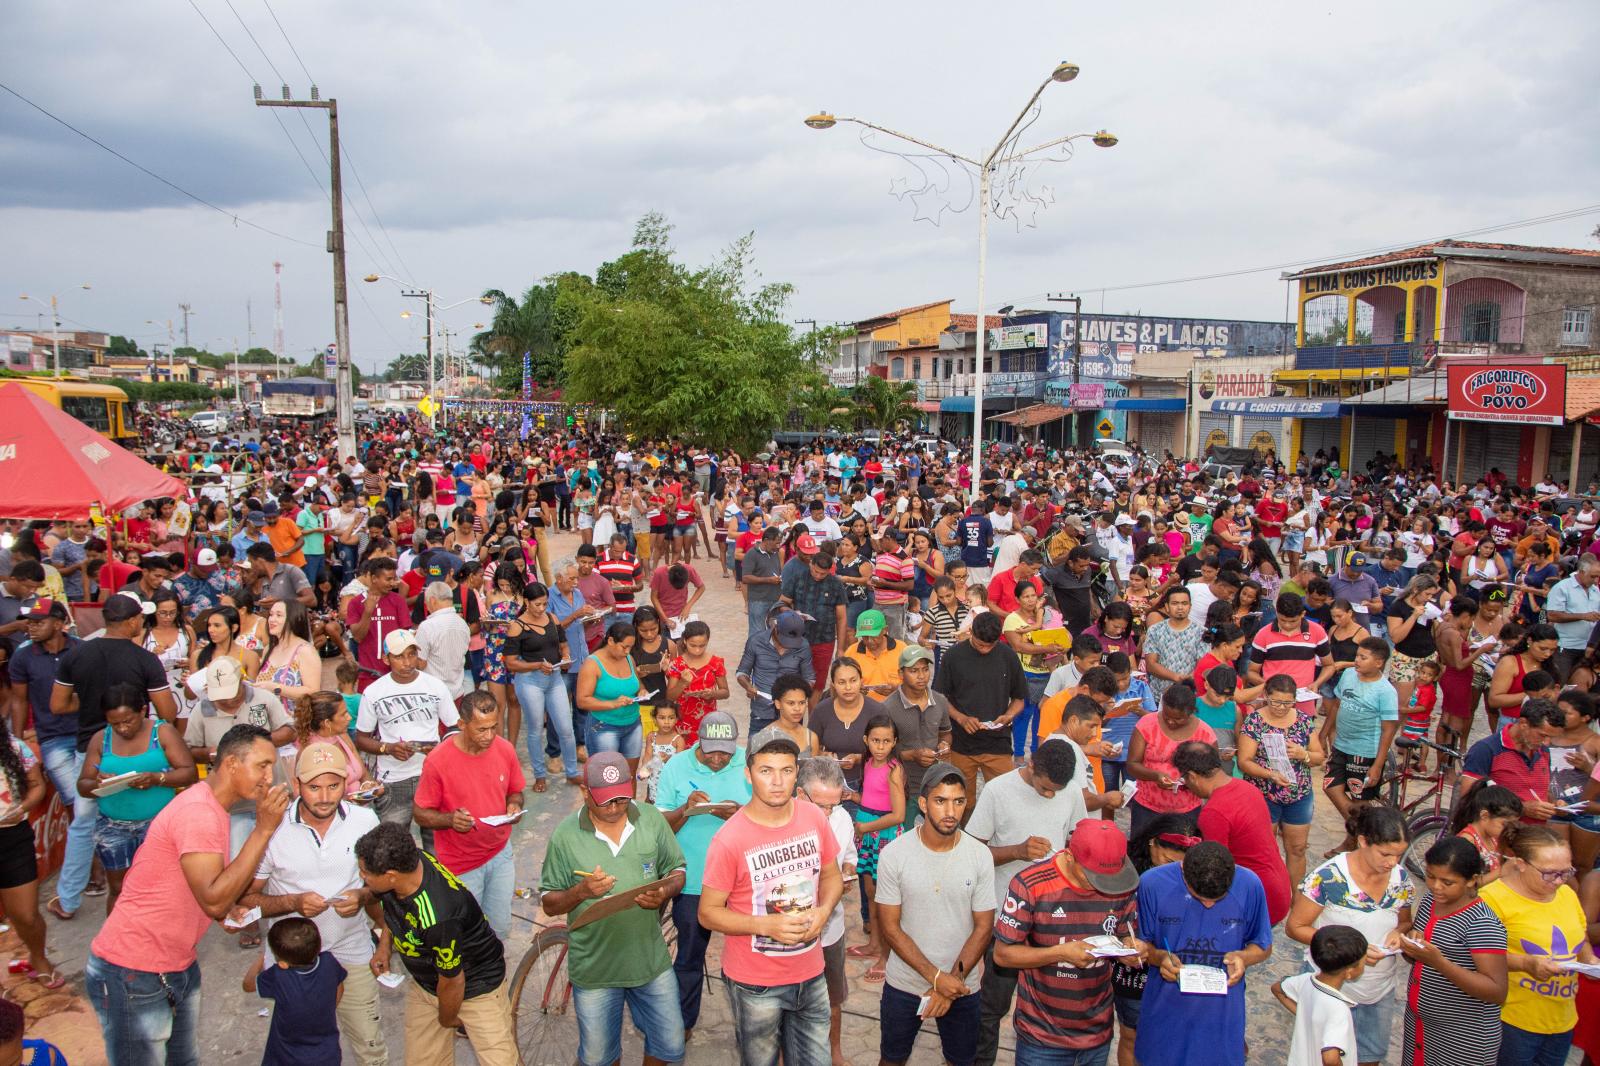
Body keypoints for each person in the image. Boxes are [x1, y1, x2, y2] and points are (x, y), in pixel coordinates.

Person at [86, 723, 291, 1065]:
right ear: (230, 764)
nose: (269, 777)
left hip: (173, 965)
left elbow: (205, 891)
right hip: (134, 971)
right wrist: (264, 828)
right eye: (262, 765)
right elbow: (213, 897)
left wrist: (222, 912)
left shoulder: (210, 808)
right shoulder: (199, 813)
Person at [698, 728, 843, 1066]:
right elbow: (708, 913)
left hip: (811, 973)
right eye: (766, 771)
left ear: (797, 774)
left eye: (786, 770)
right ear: (748, 775)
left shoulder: (812, 818)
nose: (777, 781)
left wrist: (823, 912)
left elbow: (833, 876)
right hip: (755, 984)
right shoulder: (729, 839)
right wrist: (767, 926)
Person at [236, 739, 386, 1066]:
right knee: (300, 1049)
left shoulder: (365, 822)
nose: (324, 796)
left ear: (346, 783)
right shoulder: (271, 830)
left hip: (351, 950)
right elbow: (245, 898)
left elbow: (384, 884)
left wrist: (363, 896)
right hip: (291, 963)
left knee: (370, 1046)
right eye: (314, 787)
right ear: (296, 784)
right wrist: (293, 902)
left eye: (334, 786)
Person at [539, 751, 688, 1066]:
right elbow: (550, 903)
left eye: (621, 799)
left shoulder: (649, 818)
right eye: (605, 801)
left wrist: (664, 890)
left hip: (649, 960)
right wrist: (580, 892)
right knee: (599, 1058)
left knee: (670, 1044)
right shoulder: (564, 837)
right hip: (596, 969)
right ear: (585, 792)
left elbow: (677, 869)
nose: (615, 808)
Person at [354, 822, 519, 1066]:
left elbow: (453, 980)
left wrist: (448, 1018)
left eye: (365, 873)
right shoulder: (410, 862)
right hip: (427, 985)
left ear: (390, 876)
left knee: (499, 1060)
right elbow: (395, 908)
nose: (362, 877)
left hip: (475, 989)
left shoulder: (439, 917)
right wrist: (384, 945)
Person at [967, 741, 1089, 1066]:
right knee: (992, 1006)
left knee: (1048, 1007)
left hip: (1054, 921)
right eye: (1045, 788)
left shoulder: (1071, 792)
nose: (1051, 796)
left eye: (1056, 791)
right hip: (1007, 922)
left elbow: (1077, 840)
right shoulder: (997, 792)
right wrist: (1017, 852)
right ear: (1031, 764)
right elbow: (972, 855)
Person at [993, 819, 1141, 1066]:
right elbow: (1002, 954)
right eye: (1092, 877)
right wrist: (1060, 953)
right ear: (1070, 856)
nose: (1102, 886)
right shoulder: (1031, 885)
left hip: (1097, 1034)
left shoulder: (1120, 885)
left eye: (1109, 878)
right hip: (1041, 1038)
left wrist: (1129, 948)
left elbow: (1126, 933)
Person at [874, 760, 994, 1066]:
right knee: (892, 1059)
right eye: (941, 801)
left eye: (958, 801)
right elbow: (890, 927)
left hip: (961, 983)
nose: (951, 812)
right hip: (906, 983)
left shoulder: (979, 855)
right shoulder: (894, 855)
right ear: (924, 804)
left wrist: (951, 981)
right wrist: (936, 977)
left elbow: (983, 927)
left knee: (962, 1060)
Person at [1288, 804, 1416, 1066]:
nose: (1392, 863)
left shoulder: (1400, 880)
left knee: (1369, 1056)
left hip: (1378, 990)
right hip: (1331, 985)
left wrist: (1398, 933)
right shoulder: (1328, 878)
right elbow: (1295, 927)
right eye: (1385, 854)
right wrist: (1350, 949)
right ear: (1362, 841)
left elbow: (1405, 922)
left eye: (1398, 855)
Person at [654, 710, 751, 1035]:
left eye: (726, 751)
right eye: (712, 751)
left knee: (752, 955)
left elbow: (769, 815)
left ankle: (755, 1024)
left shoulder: (749, 764)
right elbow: (658, 824)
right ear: (699, 741)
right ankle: (682, 1026)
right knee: (690, 957)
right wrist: (685, 810)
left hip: (743, 879)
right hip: (693, 879)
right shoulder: (677, 766)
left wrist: (738, 817)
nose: (719, 758)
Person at [1135, 841, 1274, 1066]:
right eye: (1199, 896)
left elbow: (1263, 945)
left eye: (1217, 898)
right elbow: (1140, 946)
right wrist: (1160, 957)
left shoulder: (1250, 885)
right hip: (1164, 1018)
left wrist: (1244, 958)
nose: (1209, 904)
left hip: (1222, 1021)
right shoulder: (1152, 884)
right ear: (1182, 868)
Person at [1479, 822, 1597, 1065]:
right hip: (1512, 1019)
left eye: (1566, 872)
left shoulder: (1565, 894)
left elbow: (1580, 935)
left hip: (1561, 1018)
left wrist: (1590, 960)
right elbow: (1478, 955)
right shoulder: (1492, 899)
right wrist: (1526, 963)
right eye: (1549, 873)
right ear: (1521, 864)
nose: (1558, 881)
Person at [9, 596, 94, 922]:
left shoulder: (81, 650)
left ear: (59, 623)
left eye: (38, 621)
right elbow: (19, 701)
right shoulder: (21, 657)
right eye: (28, 621)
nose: (30, 626)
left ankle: (90, 873)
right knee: (78, 800)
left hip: (88, 734)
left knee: (85, 805)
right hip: (53, 739)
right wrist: (17, 746)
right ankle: (90, 872)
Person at [413, 690, 524, 940]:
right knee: (466, 936)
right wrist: (449, 820)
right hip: (460, 865)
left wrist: (514, 806)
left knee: (499, 930)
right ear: (462, 724)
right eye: (481, 729)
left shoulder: (505, 750)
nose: (489, 736)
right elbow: (420, 813)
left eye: (494, 727)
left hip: (500, 854)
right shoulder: (438, 761)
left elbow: (515, 791)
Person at [76, 684, 195, 915]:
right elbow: (83, 785)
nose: (122, 728)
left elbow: (189, 773)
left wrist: (157, 778)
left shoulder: (162, 732)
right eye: (114, 723)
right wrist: (98, 784)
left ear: (142, 710)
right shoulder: (101, 739)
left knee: (162, 887)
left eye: (128, 720)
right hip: (113, 827)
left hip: (158, 824)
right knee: (119, 889)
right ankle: (118, 945)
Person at [1397, 836, 1509, 1066]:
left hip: (1463, 1039)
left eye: (1447, 882)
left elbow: (1496, 991)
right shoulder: (1431, 901)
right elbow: (1419, 951)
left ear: (1472, 880)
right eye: (1430, 877)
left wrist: (1439, 962)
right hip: (1422, 1029)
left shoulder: (1482, 924)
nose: (1436, 886)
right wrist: (1412, 944)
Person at [354, 629, 461, 848]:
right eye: (399, 656)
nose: (407, 662)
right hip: (394, 780)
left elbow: (454, 726)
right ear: (386, 659)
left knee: (436, 845)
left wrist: (440, 749)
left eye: (411, 654)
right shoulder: (374, 692)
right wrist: (388, 748)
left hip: (431, 775)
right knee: (393, 846)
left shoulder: (435, 686)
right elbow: (362, 738)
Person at [1179, 740, 1293, 925]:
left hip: (1252, 897)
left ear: (1192, 776)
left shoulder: (1214, 812)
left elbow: (1213, 874)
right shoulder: (1247, 788)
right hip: (1277, 885)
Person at [796, 754, 859, 1066]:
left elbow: (850, 855)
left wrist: (846, 870)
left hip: (831, 930)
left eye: (834, 804)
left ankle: (835, 1052)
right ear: (799, 794)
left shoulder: (842, 819)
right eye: (821, 804)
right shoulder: (782, 823)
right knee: (787, 1002)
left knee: (833, 997)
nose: (828, 813)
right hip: (791, 934)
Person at [1237, 673, 1325, 889]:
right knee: (1265, 848)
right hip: (1264, 794)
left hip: (1299, 795)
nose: (1281, 707)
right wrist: (1270, 774)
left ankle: (1295, 898)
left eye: (1287, 703)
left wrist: (1302, 754)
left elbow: (1319, 756)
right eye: (1276, 701)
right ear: (1266, 696)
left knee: (1297, 848)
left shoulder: (1303, 721)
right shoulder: (1255, 721)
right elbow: (1244, 761)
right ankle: (1268, 894)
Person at [934, 611, 1027, 810]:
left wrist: (1009, 715)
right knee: (962, 803)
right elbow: (940, 697)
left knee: (1005, 801)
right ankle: (965, 838)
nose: (984, 650)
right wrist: (960, 718)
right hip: (961, 744)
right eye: (979, 644)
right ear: (971, 632)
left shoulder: (1008, 656)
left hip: (998, 742)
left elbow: (1019, 698)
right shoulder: (954, 656)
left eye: (989, 646)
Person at [503, 580, 578, 787]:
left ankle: (571, 771)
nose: (542, 609)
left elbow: (563, 645)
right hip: (530, 682)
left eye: (545, 604)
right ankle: (539, 775)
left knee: (565, 727)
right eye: (537, 604)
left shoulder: (552, 619)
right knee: (536, 728)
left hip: (554, 678)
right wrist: (536, 665)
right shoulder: (517, 627)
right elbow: (511, 663)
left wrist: (565, 657)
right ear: (526, 602)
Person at [244, 916, 346, 1066]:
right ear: (318, 947)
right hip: (327, 1055)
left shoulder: (279, 976)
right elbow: (340, 987)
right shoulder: (329, 962)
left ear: (283, 964)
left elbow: (248, 985)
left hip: (286, 1057)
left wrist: (262, 958)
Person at [850, 714, 905, 983]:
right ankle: (873, 944)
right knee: (870, 892)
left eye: (886, 741)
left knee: (886, 898)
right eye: (875, 741)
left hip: (883, 837)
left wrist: (864, 828)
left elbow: (897, 814)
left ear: (894, 742)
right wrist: (852, 797)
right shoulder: (868, 763)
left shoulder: (895, 769)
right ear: (866, 741)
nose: (880, 746)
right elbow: (872, 799)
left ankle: (886, 955)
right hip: (868, 836)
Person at [1321, 638, 1400, 822]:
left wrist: (1377, 766)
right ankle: (1363, 824)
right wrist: (1324, 732)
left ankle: (1358, 833)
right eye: (1357, 655)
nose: (1357, 660)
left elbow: (1388, 730)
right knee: (1330, 786)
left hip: (1365, 752)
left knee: (1360, 798)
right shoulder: (1348, 674)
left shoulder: (1385, 691)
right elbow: (1337, 705)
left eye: (1363, 657)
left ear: (1379, 663)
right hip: (1341, 746)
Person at [1124, 684, 1217, 836]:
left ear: (1191, 713)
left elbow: (1212, 774)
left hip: (1186, 810)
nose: (1171, 722)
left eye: (1179, 719)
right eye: (1166, 716)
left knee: (1180, 854)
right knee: (1142, 854)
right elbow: (1132, 764)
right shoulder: (1147, 724)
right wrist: (1155, 775)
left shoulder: (1205, 734)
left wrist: (1190, 782)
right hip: (1147, 807)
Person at [880, 644, 952, 828]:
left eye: (925, 670)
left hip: (936, 782)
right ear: (901, 673)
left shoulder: (940, 701)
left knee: (940, 832)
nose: (921, 676)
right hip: (904, 787)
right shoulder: (888, 707)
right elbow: (881, 749)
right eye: (914, 671)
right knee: (903, 836)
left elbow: (945, 732)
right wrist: (911, 755)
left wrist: (944, 744)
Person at [1271, 925, 1366, 1066]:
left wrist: (1306, 1015)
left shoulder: (1305, 981)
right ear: (1349, 972)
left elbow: (1277, 989)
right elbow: (1330, 1058)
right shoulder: (1338, 1010)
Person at [575, 621, 646, 772]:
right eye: (624, 647)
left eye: (630, 647)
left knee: (629, 775)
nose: (627, 651)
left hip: (632, 724)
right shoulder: (592, 664)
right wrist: (613, 704)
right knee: (607, 778)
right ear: (611, 641)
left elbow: (637, 683)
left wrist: (642, 691)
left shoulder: (629, 659)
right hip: (604, 727)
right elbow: (582, 700)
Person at [736, 609, 815, 734]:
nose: (788, 645)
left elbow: (810, 678)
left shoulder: (803, 646)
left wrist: (796, 696)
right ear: (775, 629)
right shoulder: (756, 641)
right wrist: (748, 686)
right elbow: (742, 672)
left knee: (791, 751)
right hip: (761, 712)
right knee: (755, 751)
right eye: (785, 640)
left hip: (791, 715)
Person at [414, 580, 472, 702]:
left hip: (432, 695)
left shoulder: (427, 627)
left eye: (426, 602)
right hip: (456, 692)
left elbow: (420, 664)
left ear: (433, 600)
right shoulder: (463, 625)